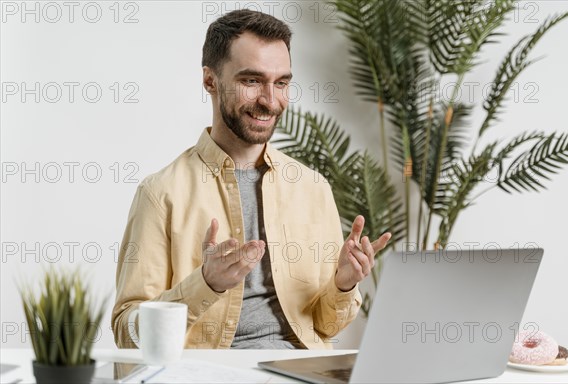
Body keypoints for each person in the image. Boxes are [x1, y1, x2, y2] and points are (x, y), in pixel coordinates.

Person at [111, 9, 391, 350]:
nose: (270, 101)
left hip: (303, 370)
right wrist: (206, 284)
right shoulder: (161, 193)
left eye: (282, 83)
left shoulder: (312, 188)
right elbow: (129, 334)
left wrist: (344, 285)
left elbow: (326, 327)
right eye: (251, 81)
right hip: (213, 374)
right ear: (210, 81)